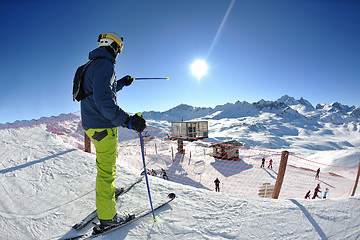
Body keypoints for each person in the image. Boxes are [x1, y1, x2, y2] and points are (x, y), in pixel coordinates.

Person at [80, 32, 146, 231]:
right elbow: (104, 101)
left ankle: (108, 192)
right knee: (106, 172)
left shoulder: (92, 64)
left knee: (105, 166)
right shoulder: (105, 64)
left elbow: (101, 90)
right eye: (119, 49)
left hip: (91, 125)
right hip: (103, 126)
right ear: (114, 47)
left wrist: (122, 83)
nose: (118, 53)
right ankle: (108, 218)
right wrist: (128, 120)